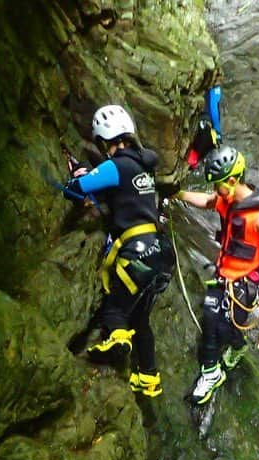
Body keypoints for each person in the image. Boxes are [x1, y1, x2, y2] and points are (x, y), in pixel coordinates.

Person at [64, 104, 174, 397]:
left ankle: (117, 340)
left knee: (115, 307)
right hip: (160, 254)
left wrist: (79, 178)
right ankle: (149, 377)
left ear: (103, 140)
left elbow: (77, 187)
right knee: (140, 318)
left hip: (136, 251)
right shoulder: (144, 166)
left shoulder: (116, 166)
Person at [175, 146, 259, 404]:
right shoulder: (226, 199)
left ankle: (236, 347)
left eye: (219, 185)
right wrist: (178, 193)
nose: (216, 191)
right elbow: (207, 201)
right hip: (225, 272)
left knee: (225, 326)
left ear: (233, 181)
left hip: (247, 281)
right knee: (212, 315)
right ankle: (211, 372)